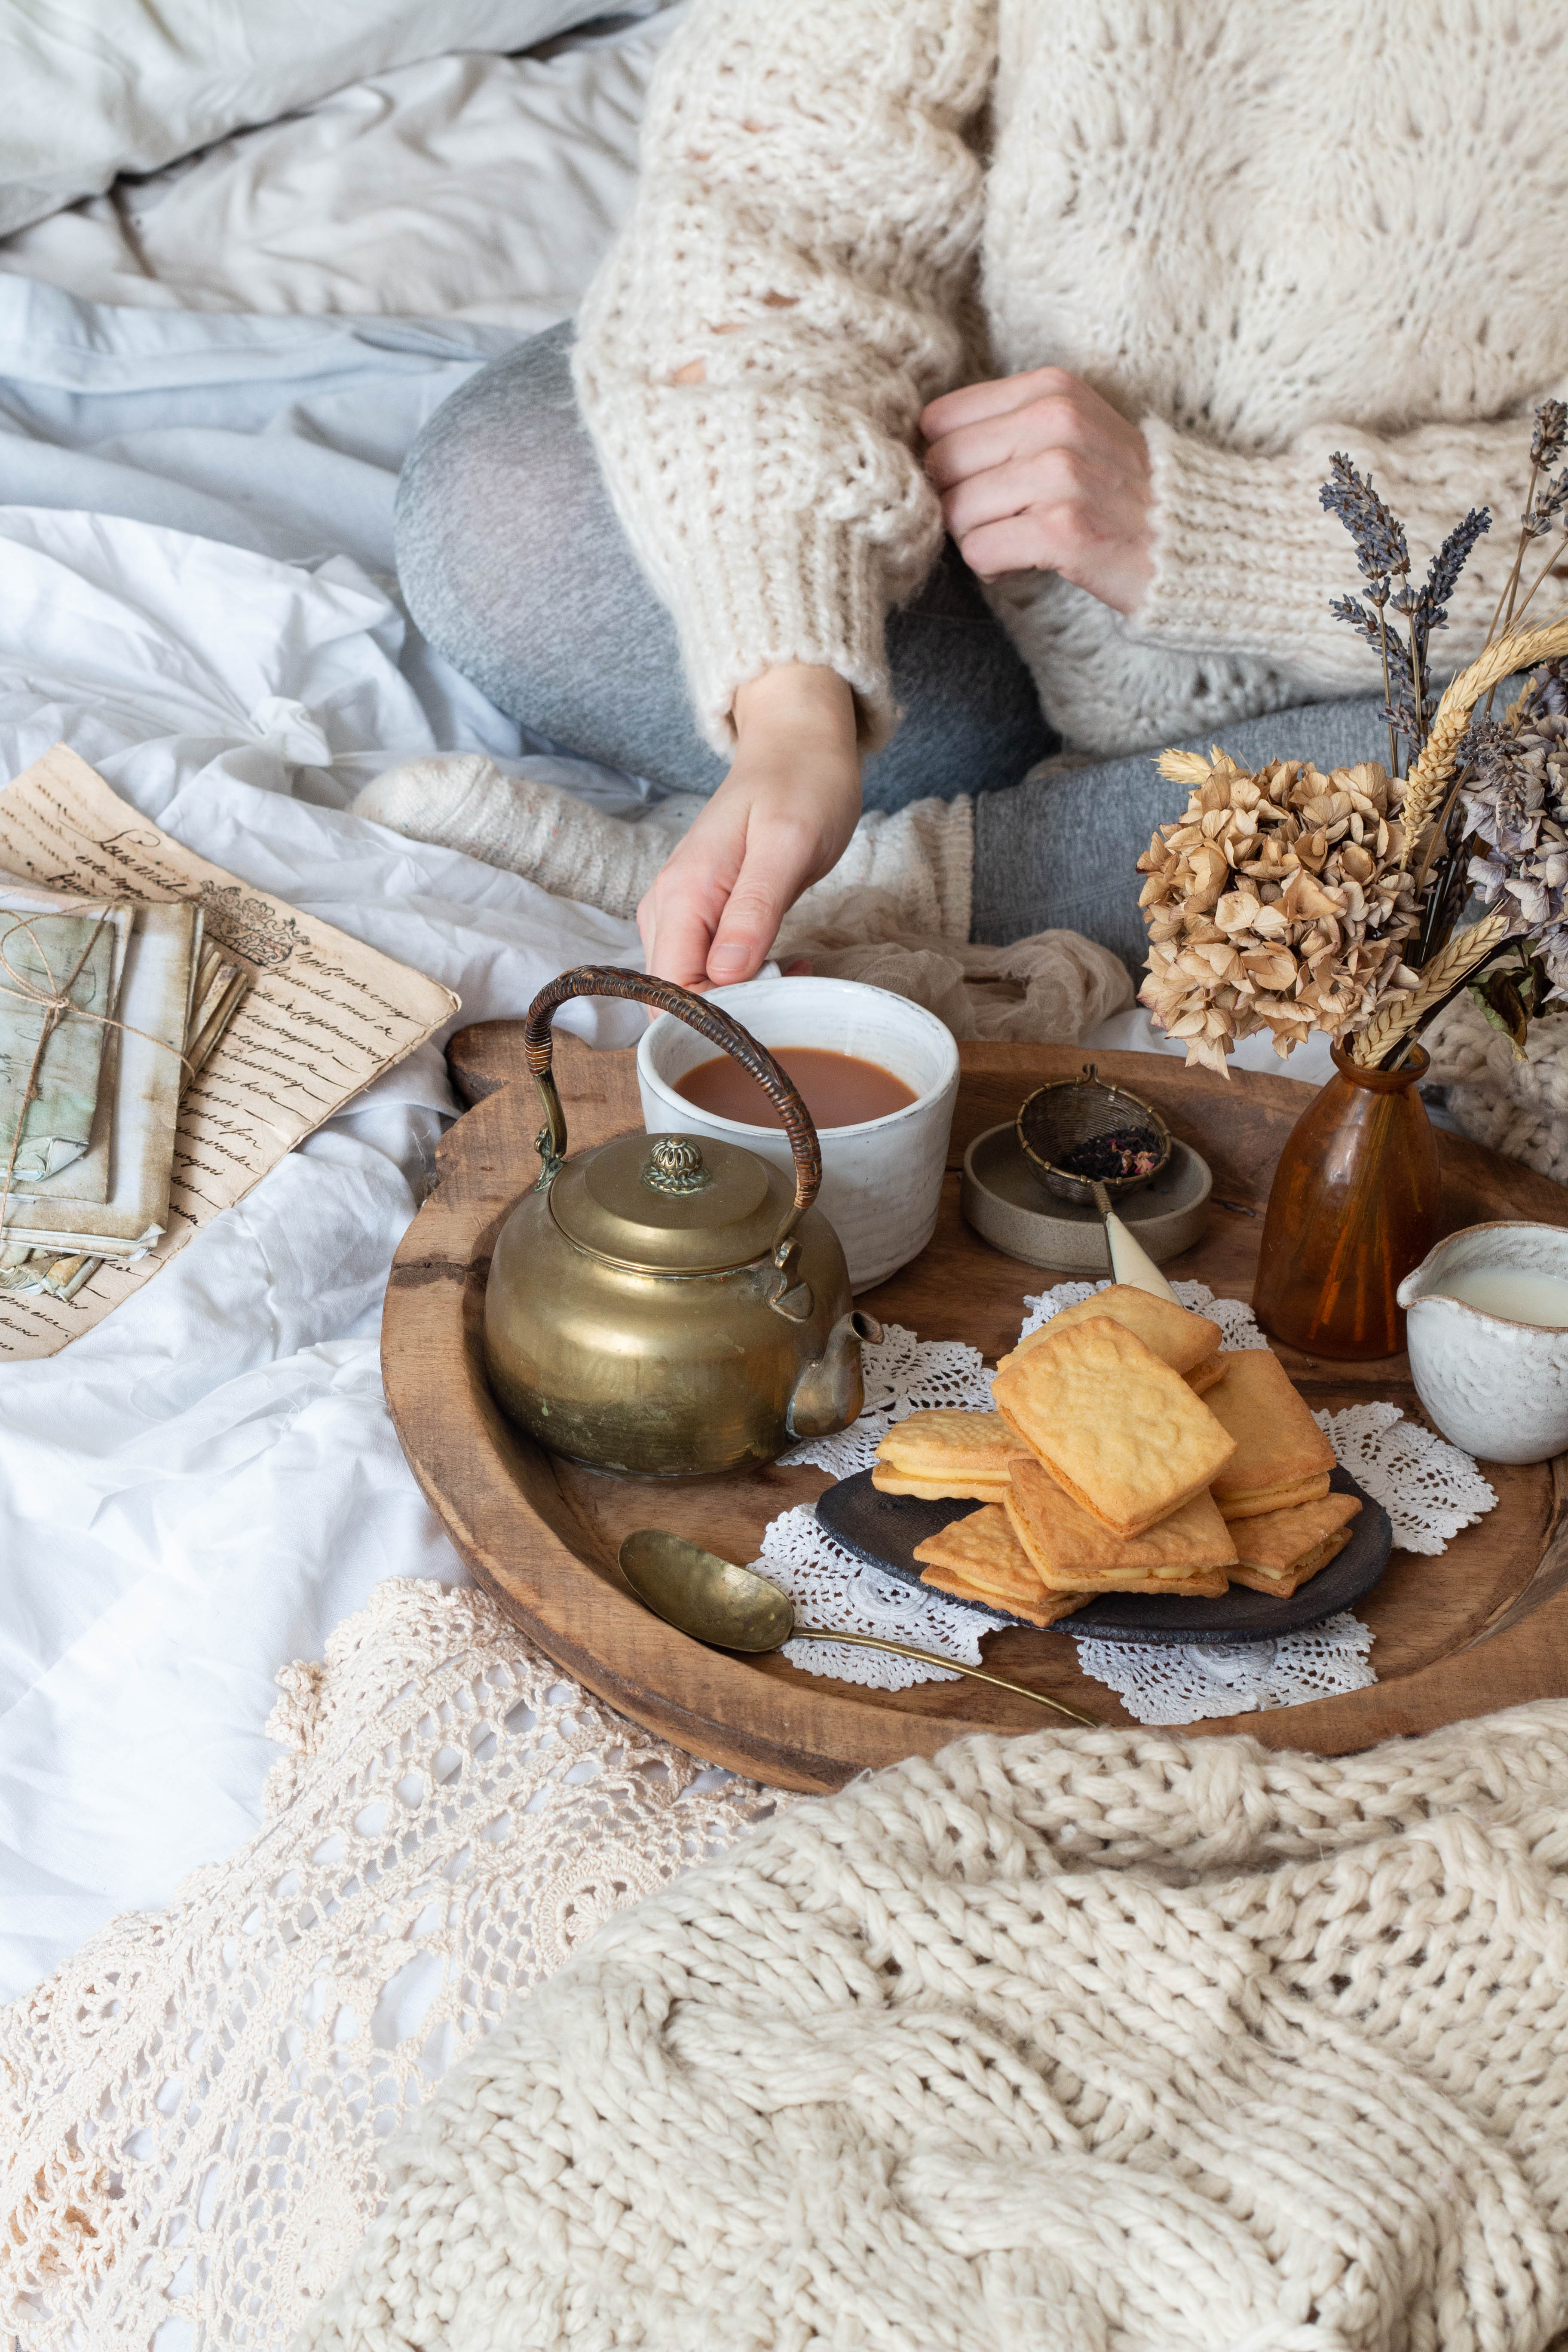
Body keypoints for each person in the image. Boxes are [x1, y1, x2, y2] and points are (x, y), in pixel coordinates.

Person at [390, 0, 1567, 985]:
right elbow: (773, 198)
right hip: (983, 546)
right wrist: (792, 703)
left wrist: (1213, 532)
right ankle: (1090, 847)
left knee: (1536, 787)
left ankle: (909, 884)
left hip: (1428, 655)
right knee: (507, 506)